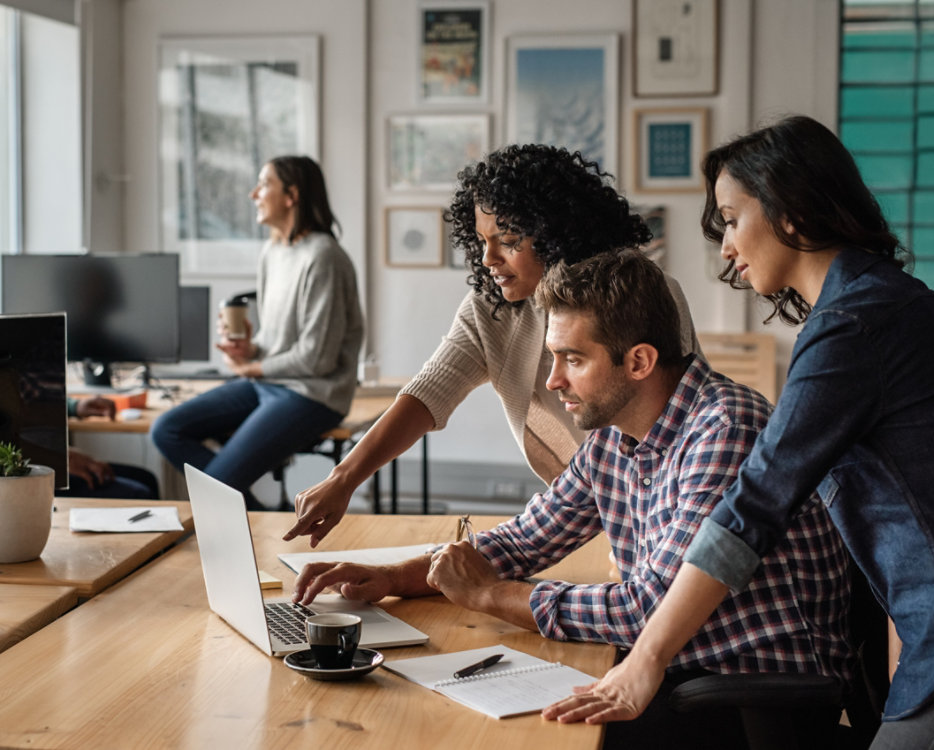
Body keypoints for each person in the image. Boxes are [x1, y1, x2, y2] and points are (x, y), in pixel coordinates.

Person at [544, 116, 934, 748]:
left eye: (732, 219)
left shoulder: (856, 327)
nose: (726, 246)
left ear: (791, 211)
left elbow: (754, 504)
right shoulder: (870, 307)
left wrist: (645, 660)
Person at [292, 250, 854, 748]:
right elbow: (525, 539)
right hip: (674, 672)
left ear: (638, 362)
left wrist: (491, 597)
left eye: (573, 360)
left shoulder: (723, 429)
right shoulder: (617, 434)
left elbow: (644, 610)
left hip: (742, 696)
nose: (554, 381)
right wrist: (397, 576)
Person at [286, 144, 700, 545]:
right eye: (482, 240)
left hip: (662, 503)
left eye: (507, 239)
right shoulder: (493, 307)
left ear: (557, 232)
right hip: (578, 507)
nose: (487, 258)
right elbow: (428, 393)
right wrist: (343, 479)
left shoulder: (639, 294)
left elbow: (675, 425)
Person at [152, 156, 363, 509]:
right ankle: (256, 516)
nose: (253, 194)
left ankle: (241, 515)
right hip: (269, 385)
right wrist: (249, 349)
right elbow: (276, 343)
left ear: (291, 195)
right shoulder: (272, 252)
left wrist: (251, 368)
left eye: (264, 184)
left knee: (217, 485)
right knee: (166, 430)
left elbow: (317, 358)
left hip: (313, 395)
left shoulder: (324, 257)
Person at [61, 396, 160, 499]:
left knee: (146, 478)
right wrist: (60, 458)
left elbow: (43, 400)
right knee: (139, 494)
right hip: (47, 473)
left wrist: (74, 406)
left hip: (56, 458)